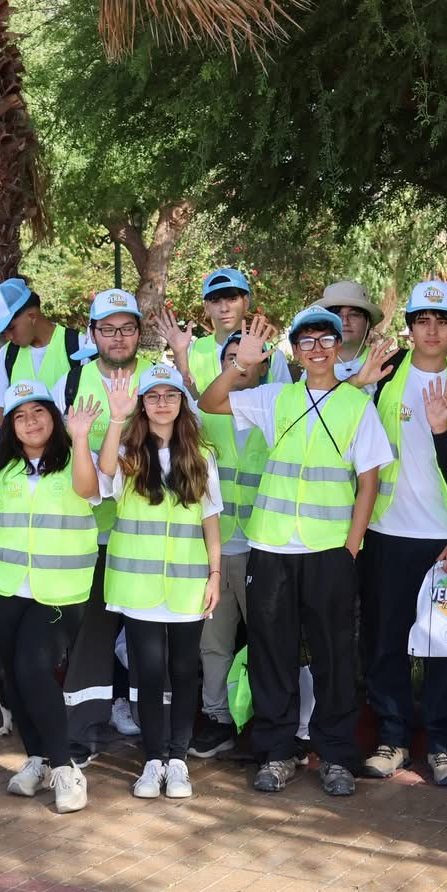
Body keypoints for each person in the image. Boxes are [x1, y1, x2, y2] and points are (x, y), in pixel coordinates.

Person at [199, 308, 394, 798]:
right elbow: (210, 402)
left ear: (335, 346)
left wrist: (352, 545)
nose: (317, 349)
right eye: (306, 342)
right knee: (271, 652)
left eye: (326, 339)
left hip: (329, 550)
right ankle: (277, 752)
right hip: (270, 545)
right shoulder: (274, 397)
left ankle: (335, 755)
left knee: (334, 655)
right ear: (296, 352)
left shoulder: (355, 405)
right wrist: (240, 365)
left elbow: (368, 481)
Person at [0, 381, 104, 813]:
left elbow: (90, 492)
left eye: (39, 412)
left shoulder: (77, 459)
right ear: (10, 426)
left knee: (33, 669)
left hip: (59, 593)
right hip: (2, 589)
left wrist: (79, 437)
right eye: (20, 415)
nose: (30, 422)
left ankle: (66, 767)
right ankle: (38, 758)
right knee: (6, 675)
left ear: (53, 419)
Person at [355, 280, 447, 785]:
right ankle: (393, 738)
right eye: (422, 321)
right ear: (409, 327)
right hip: (384, 533)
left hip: (440, 539)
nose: (431, 330)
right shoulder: (384, 376)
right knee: (385, 642)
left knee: (443, 644)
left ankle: (444, 746)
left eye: (442, 321)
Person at [158, 266, 275, 758]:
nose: (225, 305)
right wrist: (185, 359)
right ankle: (217, 718)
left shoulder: (275, 397)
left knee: (268, 638)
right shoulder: (205, 378)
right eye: (216, 298)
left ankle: (272, 723)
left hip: (264, 541)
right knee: (214, 640)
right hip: (212, 542)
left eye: (234, 297)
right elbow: (187, 407)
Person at [97, 362, 223, 798]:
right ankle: (153, 760)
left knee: (185, 672)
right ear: (142, 405)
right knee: (148, 675)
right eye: (153, 396)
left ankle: (179, 760)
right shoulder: (130, 453)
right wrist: (115, 417)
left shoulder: (201, 454)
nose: (162, 403)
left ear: (182, 403)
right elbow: (103, 470)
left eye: (170, 395)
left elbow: (210, 520)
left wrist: (215, 574)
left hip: (188, 586)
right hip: (139, 588)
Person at [61, 288, 150, 748]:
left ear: (139, 331)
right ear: (93, 334)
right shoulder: (73, 382)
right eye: (108, 329)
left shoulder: (159, 377)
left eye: (127, 328)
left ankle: (154, 733)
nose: (118, 338)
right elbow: (62, 454)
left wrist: (111, 461)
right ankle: (83, 734)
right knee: (92, 638)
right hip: (91, 535)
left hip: (148, 536)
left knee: (146, 635)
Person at [0, 276, 80, 411]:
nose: (8, 337)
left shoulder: (78, 345)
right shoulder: (7, 354)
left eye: (11, 328)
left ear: (32, 316)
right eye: (4, 332)